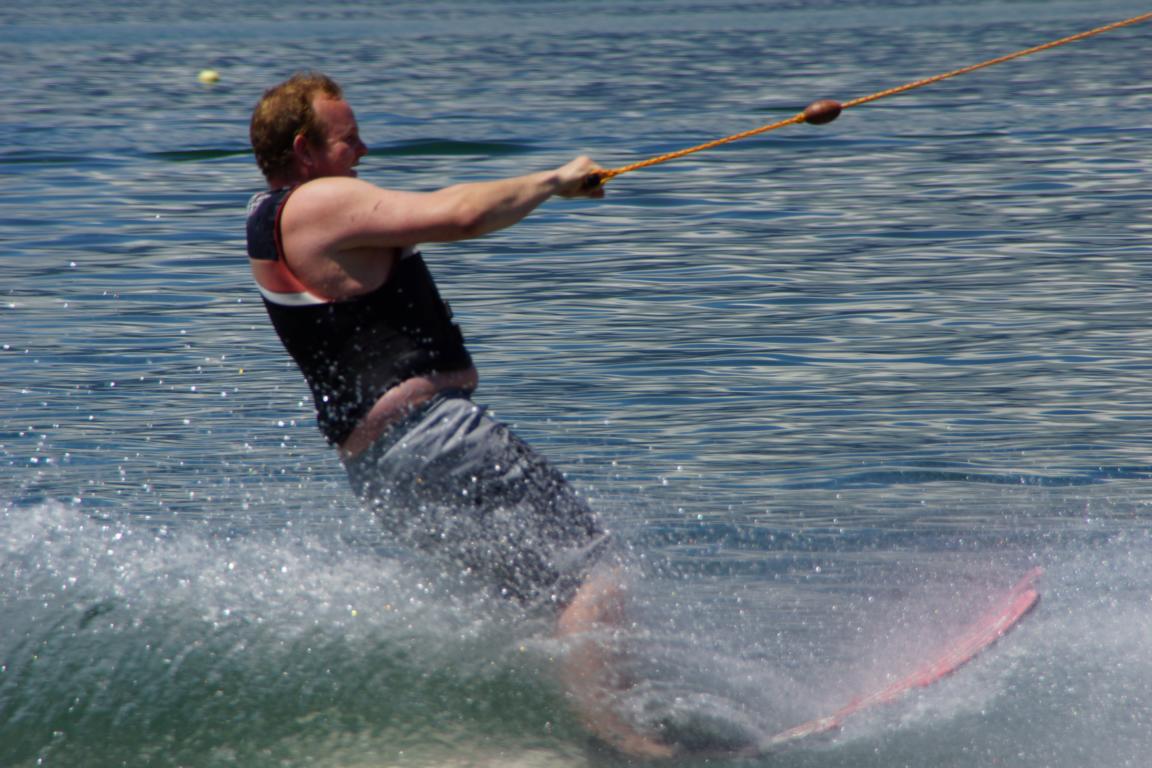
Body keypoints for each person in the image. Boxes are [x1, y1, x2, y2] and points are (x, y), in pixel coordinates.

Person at [246, 72, 673, 758]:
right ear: (304, 150)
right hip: (438, 441)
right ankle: (623, 742)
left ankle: (590, 731)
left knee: (542, 599)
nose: (364, 150)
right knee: (598, 571)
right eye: (349, 138)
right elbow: (461, 214)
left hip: (382, 468)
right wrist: (554, 182)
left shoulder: (267, 219)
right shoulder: (319, 201)